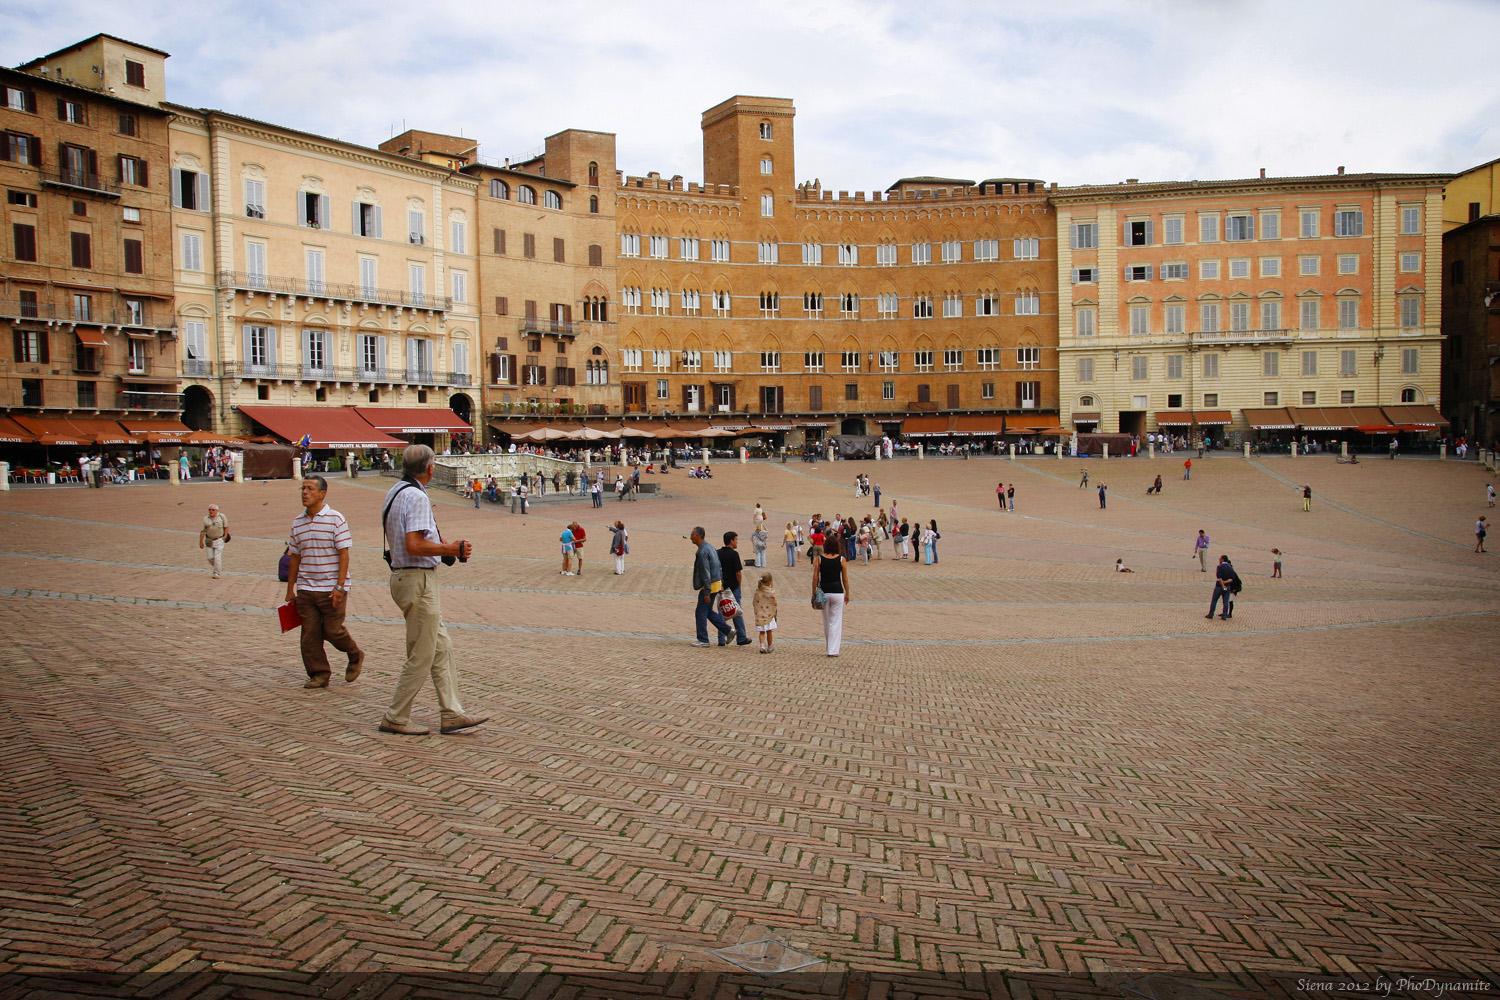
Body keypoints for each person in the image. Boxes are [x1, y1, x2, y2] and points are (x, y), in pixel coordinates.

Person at [378, 444, 486, 736]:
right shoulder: (416, 496)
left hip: (406, 576)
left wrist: (443, 550)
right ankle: (396, 716)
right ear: (430, 468)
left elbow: (411, 539)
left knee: (442, 648)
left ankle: (451, 713)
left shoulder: (397, 490)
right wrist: (449, 548)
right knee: (422, 653)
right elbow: (414, 544)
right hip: (418, 580)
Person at [285, 475, 363, 689]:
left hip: (331, 589)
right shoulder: (297, 522)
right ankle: (319, 673)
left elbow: (344, 554)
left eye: (310, 489)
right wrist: (290, 588)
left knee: (333, 630)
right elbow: (294, 557)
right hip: (306, 589)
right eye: (303, 488)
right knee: (309, 635)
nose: (305, 492)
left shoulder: (336, 519)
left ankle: (354, 654)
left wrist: (339, 587)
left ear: (322, 493)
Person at [690, 527, 734, 647]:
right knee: (707, 611)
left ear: (698, 536)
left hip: (709, 586)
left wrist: (707, 592)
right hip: (716, 584)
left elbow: (705, 572)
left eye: (692, 535)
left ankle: (703, 639)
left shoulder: (702, 551)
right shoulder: (710, 547)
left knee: (700, 612)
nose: (690, 537)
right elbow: (719, 566)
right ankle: (728, 631)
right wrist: (721, 583)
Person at [715, 532, 753, 646]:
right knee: (736, 611)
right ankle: (741, 637)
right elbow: (738, 573)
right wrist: (739, 586)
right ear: (731, 541)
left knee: (722, 611)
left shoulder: (717, 553)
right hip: (733, 587)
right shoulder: (734, 554)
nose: (737, 542)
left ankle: (721, 639)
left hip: (721, 587)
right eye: (736, 539)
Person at [815, 537, 850, 657]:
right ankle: (833, 650)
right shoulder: (842, 559)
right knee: (835, 622)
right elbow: (845, 578)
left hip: (824, 592)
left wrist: (813, 592)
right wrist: (848, 593)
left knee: (826, 621)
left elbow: (815, 577)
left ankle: (829, 646)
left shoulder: (819, 559)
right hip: (837, 592)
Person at [199, 503, 229, 579]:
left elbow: (226, 527)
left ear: (217, 511)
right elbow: (203, 531)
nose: (211, 511)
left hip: (219, 539)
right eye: (209, 509)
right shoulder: (206, 518)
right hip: (209, 540)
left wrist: (225, 536)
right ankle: (218, 567)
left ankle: (217, 573)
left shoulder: (222, 516)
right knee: (210, 558)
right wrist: (200, 541)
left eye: (213, 510)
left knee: (217, 557)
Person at [1207, 555, 1240, 620]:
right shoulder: (1230, 567)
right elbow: (1231, 579)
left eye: (1220, 559)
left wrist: (1223, 585)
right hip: (1228, 587)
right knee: (1226, 601)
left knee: (1214, 600)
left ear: (1222, 559)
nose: (1219, 560)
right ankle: (1224, 615)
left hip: (1219, 587)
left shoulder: (1219, 567)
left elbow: (1219, 578)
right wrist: (1225, 583)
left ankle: (1211, 614)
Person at [752, 573, 778, 653]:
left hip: (760, 615)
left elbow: (754, 603)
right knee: (769, 631)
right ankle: (770, 646)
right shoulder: (771, 592)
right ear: (770, 582)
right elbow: (774, 604)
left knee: (762, 632)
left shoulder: (757, 592)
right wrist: (775, 613)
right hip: (769, 616)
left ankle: (762, 646)